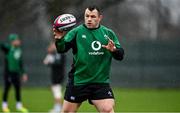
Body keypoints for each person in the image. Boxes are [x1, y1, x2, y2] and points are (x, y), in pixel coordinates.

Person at [53, 5, 124, 113]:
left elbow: (120, 55)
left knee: (108, 110)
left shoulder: (108, 34)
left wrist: (113, 50)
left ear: (100, 18)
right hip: (78, 81)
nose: (89, 19)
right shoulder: (76, 32)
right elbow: (62, 49)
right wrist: (59, 39)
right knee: (67, 112)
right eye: (87, 16)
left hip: (100, 82)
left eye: (93, 16)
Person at [0, 33, 28, 113]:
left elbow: (20, 63)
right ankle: (4, 106)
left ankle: (19, 106)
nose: (18, 41)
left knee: (17, 89)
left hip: (16, 73)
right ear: (12, 41)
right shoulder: (8, 49)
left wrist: (24, 73)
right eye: (16, 40)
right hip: (8, 73)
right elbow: (1, 45)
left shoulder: (19, 50)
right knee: (7, 89)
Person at [43, 42, 66, 113]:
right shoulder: (54, 54)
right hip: (56, 75)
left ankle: (58, 108)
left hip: (58, 76)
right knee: (56, 91)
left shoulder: (59, 54)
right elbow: (46, 62)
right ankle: (58, 107)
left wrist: (50, 60)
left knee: (57, 92)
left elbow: (58, 63)